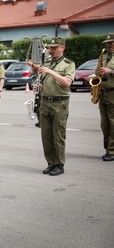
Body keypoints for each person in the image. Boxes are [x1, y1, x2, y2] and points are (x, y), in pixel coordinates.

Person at [38, 37, 75, 175]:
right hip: (46, 102)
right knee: (46, 136)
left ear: (62, 47)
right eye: (50, 48)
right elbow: (44, 83)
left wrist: (49, 71)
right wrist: (39, 85)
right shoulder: (46, 62)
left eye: (54, 47)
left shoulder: (68, 64)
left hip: (60, 103)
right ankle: (51, 163)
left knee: (58, 135)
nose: (51, 50)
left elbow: (67, 83)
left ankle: (59, 164)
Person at [96, 32, 114, 161]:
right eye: (107, 43)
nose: (109, 45)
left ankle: (112, 151)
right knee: (105, 124)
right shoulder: (105, 55)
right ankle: (108, 149)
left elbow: (109, 71)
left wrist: (111, 71)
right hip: (103, 92)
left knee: (113, 123)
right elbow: (97, 72)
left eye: (111, 43)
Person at [28, 46, 52, 128]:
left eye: (47, 48)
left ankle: (43, 121)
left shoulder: (50, 59)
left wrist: (33, 65)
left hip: (46, 86)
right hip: (39, 83)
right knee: (37, 104)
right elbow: (35, 71)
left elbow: (43, 67)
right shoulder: (42, 59)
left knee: (42, 104)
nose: (45, 50)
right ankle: (39, 120)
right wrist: (33, 67)